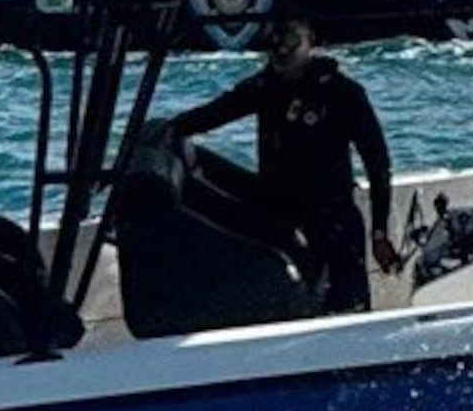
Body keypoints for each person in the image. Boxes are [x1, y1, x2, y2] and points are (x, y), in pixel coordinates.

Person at [168, 19, 399, 313]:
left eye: (290, 43)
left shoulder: (342, 92)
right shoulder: (265, 86)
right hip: (277, 209)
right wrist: (169, 128)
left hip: (329, 213)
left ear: (309, 42)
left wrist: (379, 232)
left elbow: (377, 162)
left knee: (345, 302)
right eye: (274, 44)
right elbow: (215, 113)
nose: (281, 52)